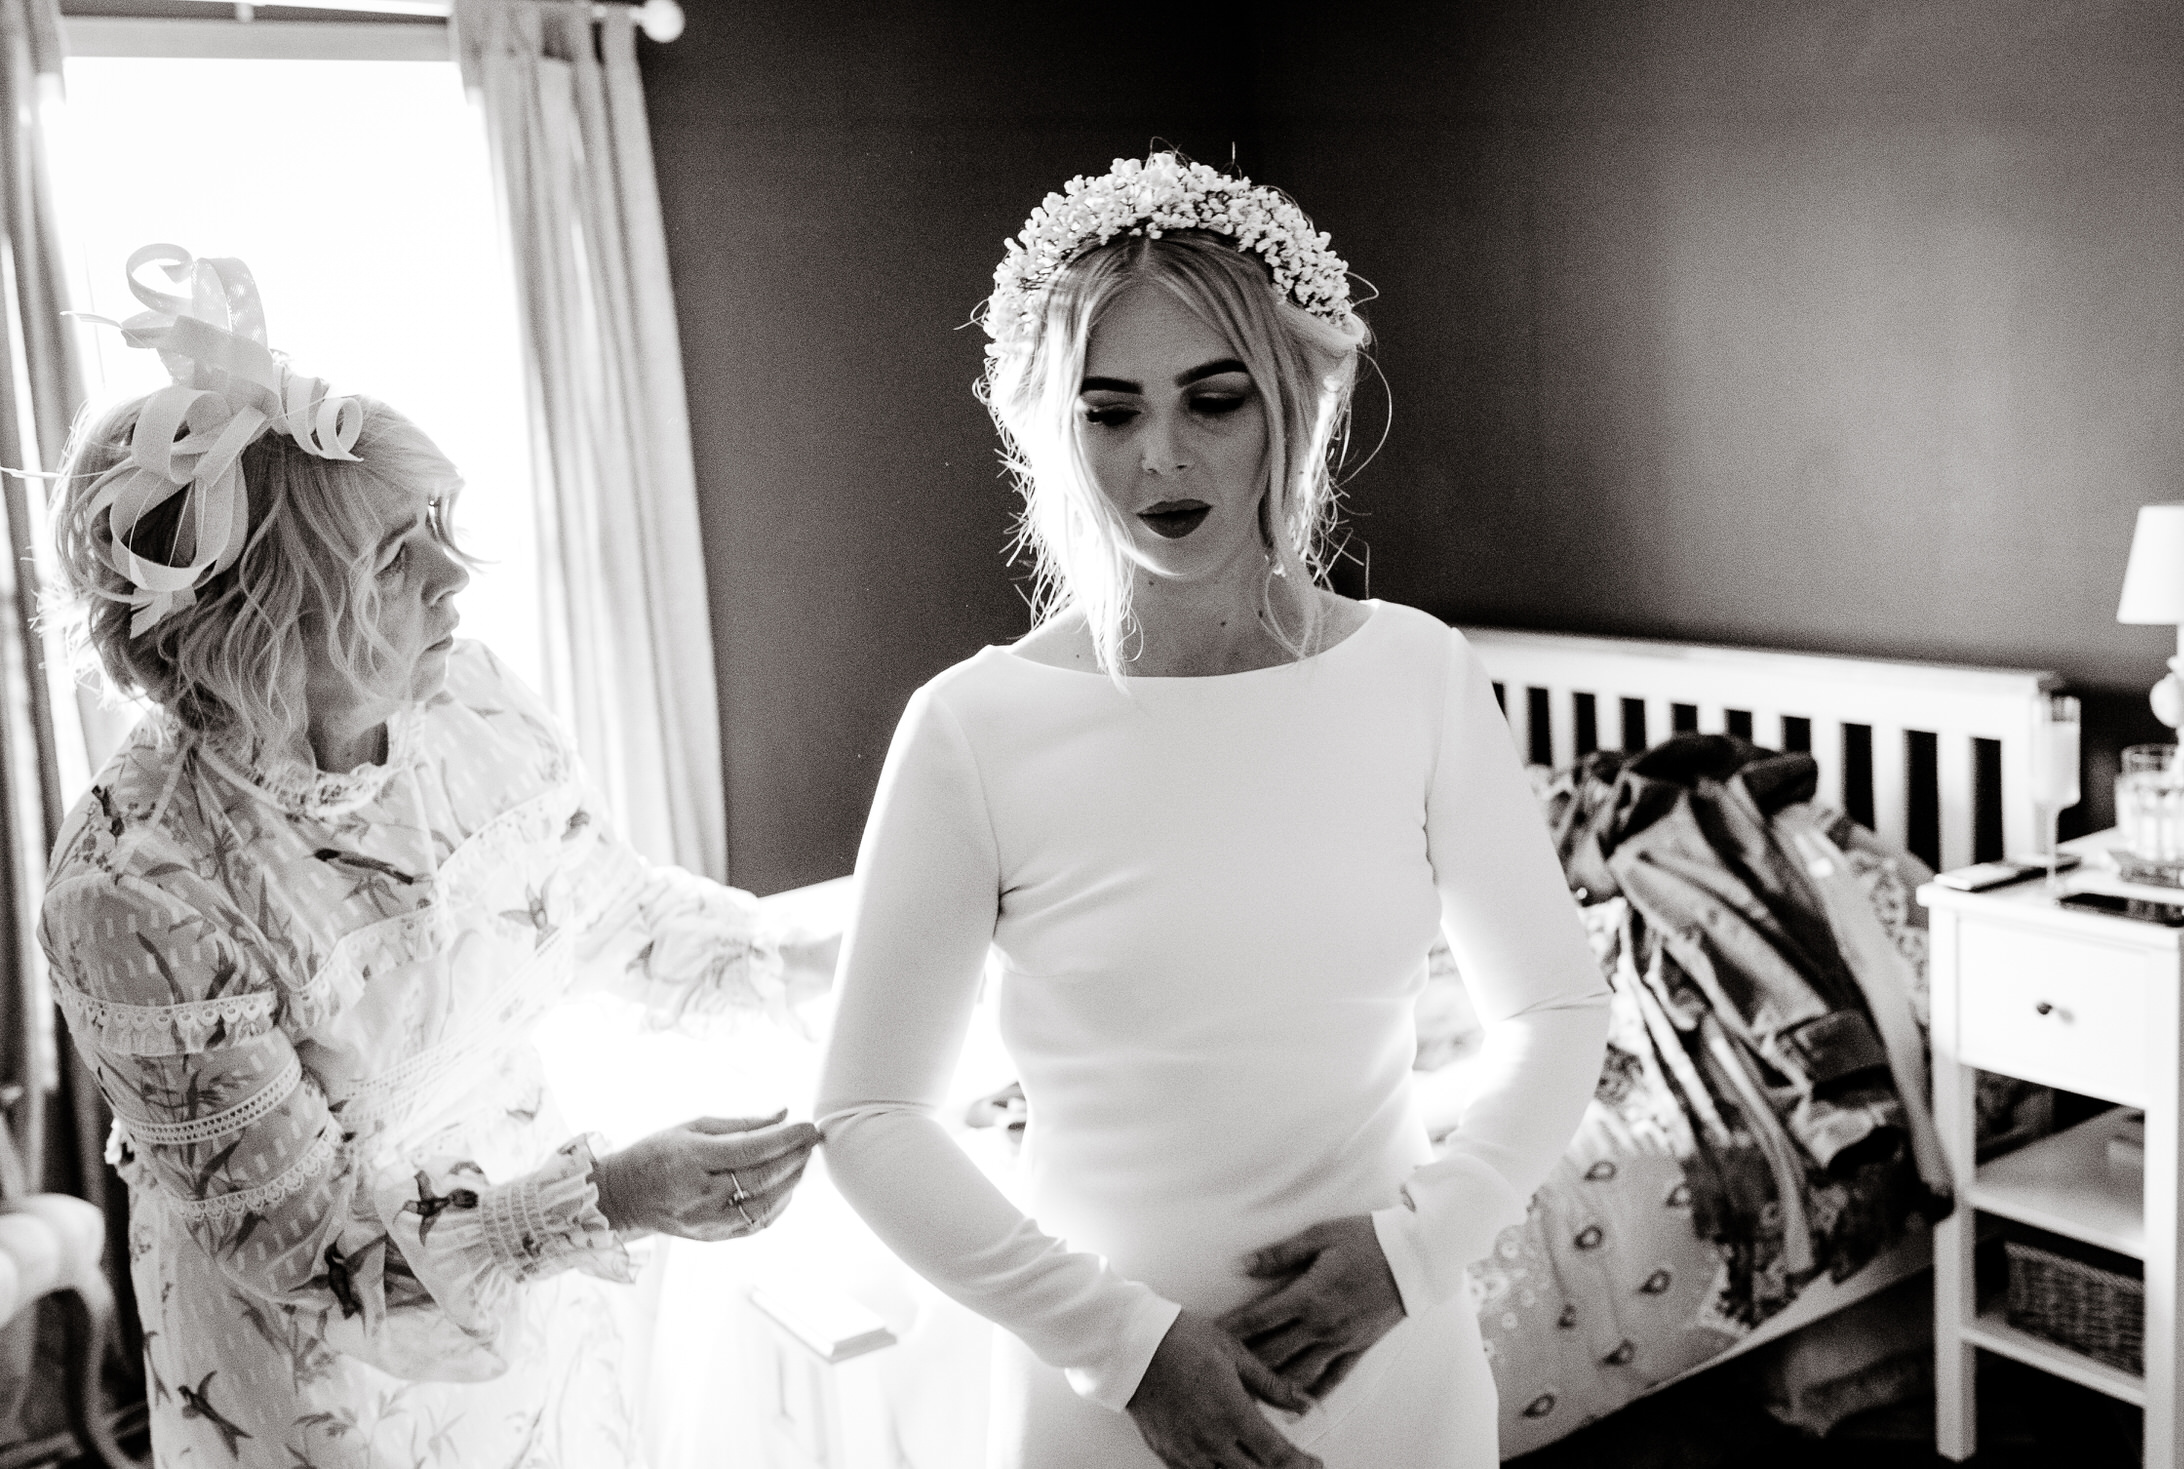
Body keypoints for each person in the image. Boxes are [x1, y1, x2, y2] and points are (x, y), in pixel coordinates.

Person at [814, 154, 1613, 1469]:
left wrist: (1420, 1245)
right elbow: (868, 1116)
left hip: (1392, 1367)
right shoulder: (972, 727)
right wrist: (1123, 1344)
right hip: (1110, 1398)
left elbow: (1558, 1009)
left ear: (1293, 398)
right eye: (1110, 411)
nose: (1162, 457)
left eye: (1214, 399)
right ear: (1050, 429)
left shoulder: (1413, 673)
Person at [38, 246, 828, 1469]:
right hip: (331, 1362)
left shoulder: (465, 699)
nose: (455, 576)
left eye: (436, 530)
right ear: (257, 622)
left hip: (544, 1278)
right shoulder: (135, 889)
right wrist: (607, 1198)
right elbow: (305, 1244)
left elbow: (609, 912)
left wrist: (846, 938)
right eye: (392, 560)